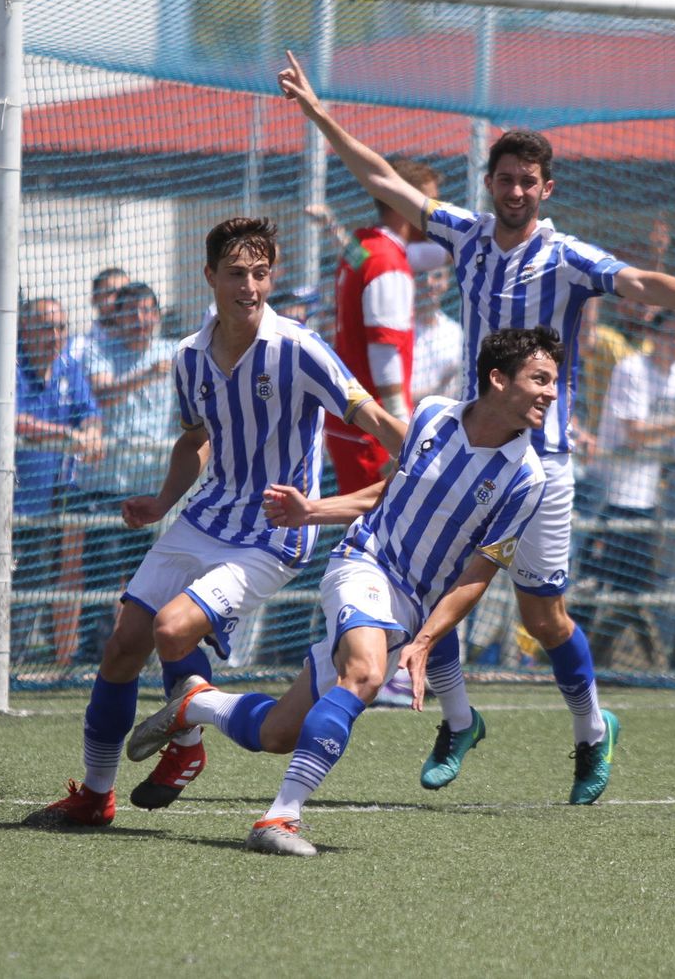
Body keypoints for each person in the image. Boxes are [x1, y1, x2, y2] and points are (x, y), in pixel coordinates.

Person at [277, 49, 675, 802]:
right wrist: (319, 115)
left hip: (541, 466)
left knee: (544, 617)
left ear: (546, 189)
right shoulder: (464, 234)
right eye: (505, 178)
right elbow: (383, 179)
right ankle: (459, 720)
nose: (515, 190)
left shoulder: (566, 257)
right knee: (430, 583)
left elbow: (639, 280)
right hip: (467, 445)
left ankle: (592, 731)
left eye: (527, 181)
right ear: (491, 184)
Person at [22, 217, 405, 826]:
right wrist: (163, 499)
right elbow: (197, 438)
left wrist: (429, 459)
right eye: (236, 273)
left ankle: (187, 745)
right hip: (207, 515)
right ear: (210, 276)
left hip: (274, 530)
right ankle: (96, 794)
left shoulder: (299, 348)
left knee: (172, 630)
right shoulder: (188, 356)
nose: (249, 286)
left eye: (260, 273)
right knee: (123, 645)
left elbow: (372, 417)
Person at [125, 327, 557, 855]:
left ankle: (197, 703)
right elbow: (387, 491)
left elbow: (478, 574)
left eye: (553, 382)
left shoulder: (528, 478)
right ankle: (280, 819)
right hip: (364, 563)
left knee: (277, 733)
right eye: (540, 379)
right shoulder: (432, 416)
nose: (550, 393)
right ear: (498, 379)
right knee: (366, 675)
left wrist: (424, 640)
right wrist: (313, 511)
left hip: (411, 608)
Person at [0, 297, 103, 662]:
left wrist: (92, 432)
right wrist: (69, 436)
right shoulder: (5, 365)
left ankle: (11, 664)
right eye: (45, 328)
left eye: (60, 327)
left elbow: (89, 412)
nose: (55, 336)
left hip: (38, 503)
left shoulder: (67, 366)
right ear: (25, 330)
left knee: (31, 586)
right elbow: (12, 418)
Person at [591, 310, 675, 668]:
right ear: (654, 337)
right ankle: (579, 659)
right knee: (596, 585)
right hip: (610, 493)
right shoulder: (632, 368)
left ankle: (628, 661)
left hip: (647, 499)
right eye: (673, 334)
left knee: (634, 588)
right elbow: (634, 433)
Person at [314, 157, 443, 495]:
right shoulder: (388, 265)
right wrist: (401, 435)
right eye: (428, 203)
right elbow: (384, 351)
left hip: (353, 424)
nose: (436, 214)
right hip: (376, 433)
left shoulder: (365, 245)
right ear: (403, 203)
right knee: (375, 524)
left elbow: (439, 254)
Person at [74, 280, 177, 659]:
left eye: (147, 310)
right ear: (115, 317)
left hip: (153, 487)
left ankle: (142, 650)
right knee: (102, 572)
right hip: (106, 485)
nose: (139, 318)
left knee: (148, 576)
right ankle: (93, 651)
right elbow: (100, 393)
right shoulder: (98, 351)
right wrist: (146, 375)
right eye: (131, 311)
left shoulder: (174, 352)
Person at [410, 244, 464, 402]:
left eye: (438, 276)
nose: (429, 283)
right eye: (421, 275)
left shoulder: (455, 333)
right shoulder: (401, 329)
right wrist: (437, 388)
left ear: (447, 282)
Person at [67, 267, 131, 367]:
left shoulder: (144, 346)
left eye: (124, 293)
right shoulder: (78, 349)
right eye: (111, 292)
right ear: (94, 299)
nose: (119, 299)